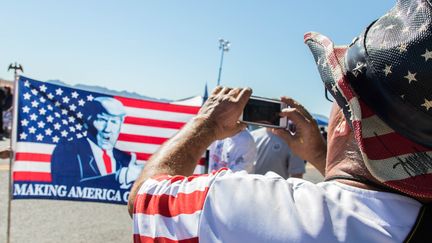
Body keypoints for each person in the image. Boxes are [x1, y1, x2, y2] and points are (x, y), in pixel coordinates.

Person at [128, 1, 432, 242]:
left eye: (335, 96)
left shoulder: (252, 209)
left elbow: (145, 200)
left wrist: (206, 124)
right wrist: (318, 154)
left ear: (344, 124)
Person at [51, 96, 142, 189]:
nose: (107, 129)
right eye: (102, 120)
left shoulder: (125, 159)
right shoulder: (67, 151)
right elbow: (65, 188)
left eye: (114, 122)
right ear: (87, 122)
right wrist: (119, 177)